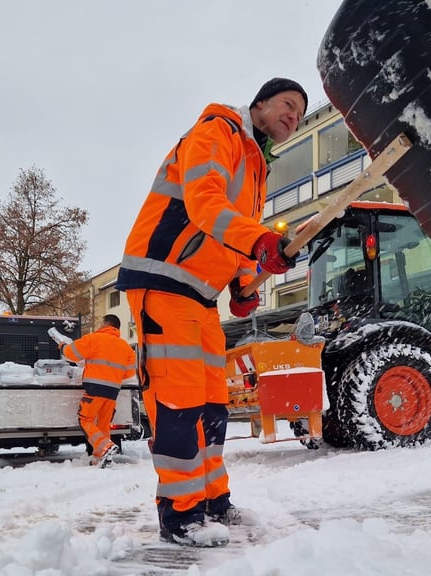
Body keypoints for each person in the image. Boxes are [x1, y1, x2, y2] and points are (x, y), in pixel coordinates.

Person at [116, 77, 306, 546]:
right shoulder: (217, 131)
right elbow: (206, 205)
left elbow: (231, 235)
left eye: (301, 114)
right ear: (259, 104)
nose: (294, 116)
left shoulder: (256, 165)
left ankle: (212, 500)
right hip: (163, 281)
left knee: (212, 406)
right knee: (178, 402)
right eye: (287, 104)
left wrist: (243, 282)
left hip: (200, 296)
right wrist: (259, 241)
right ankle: (180, 516)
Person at [58, 314, 137, 468]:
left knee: (85, 419)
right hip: (113, 390)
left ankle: (105, 446)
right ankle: (100, 456)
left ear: (105, 324)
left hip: (95, 388)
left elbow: (71, 353)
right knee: (103, 423)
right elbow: (129, 373)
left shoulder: (94, 338)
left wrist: (62, 347)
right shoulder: (125, 347)